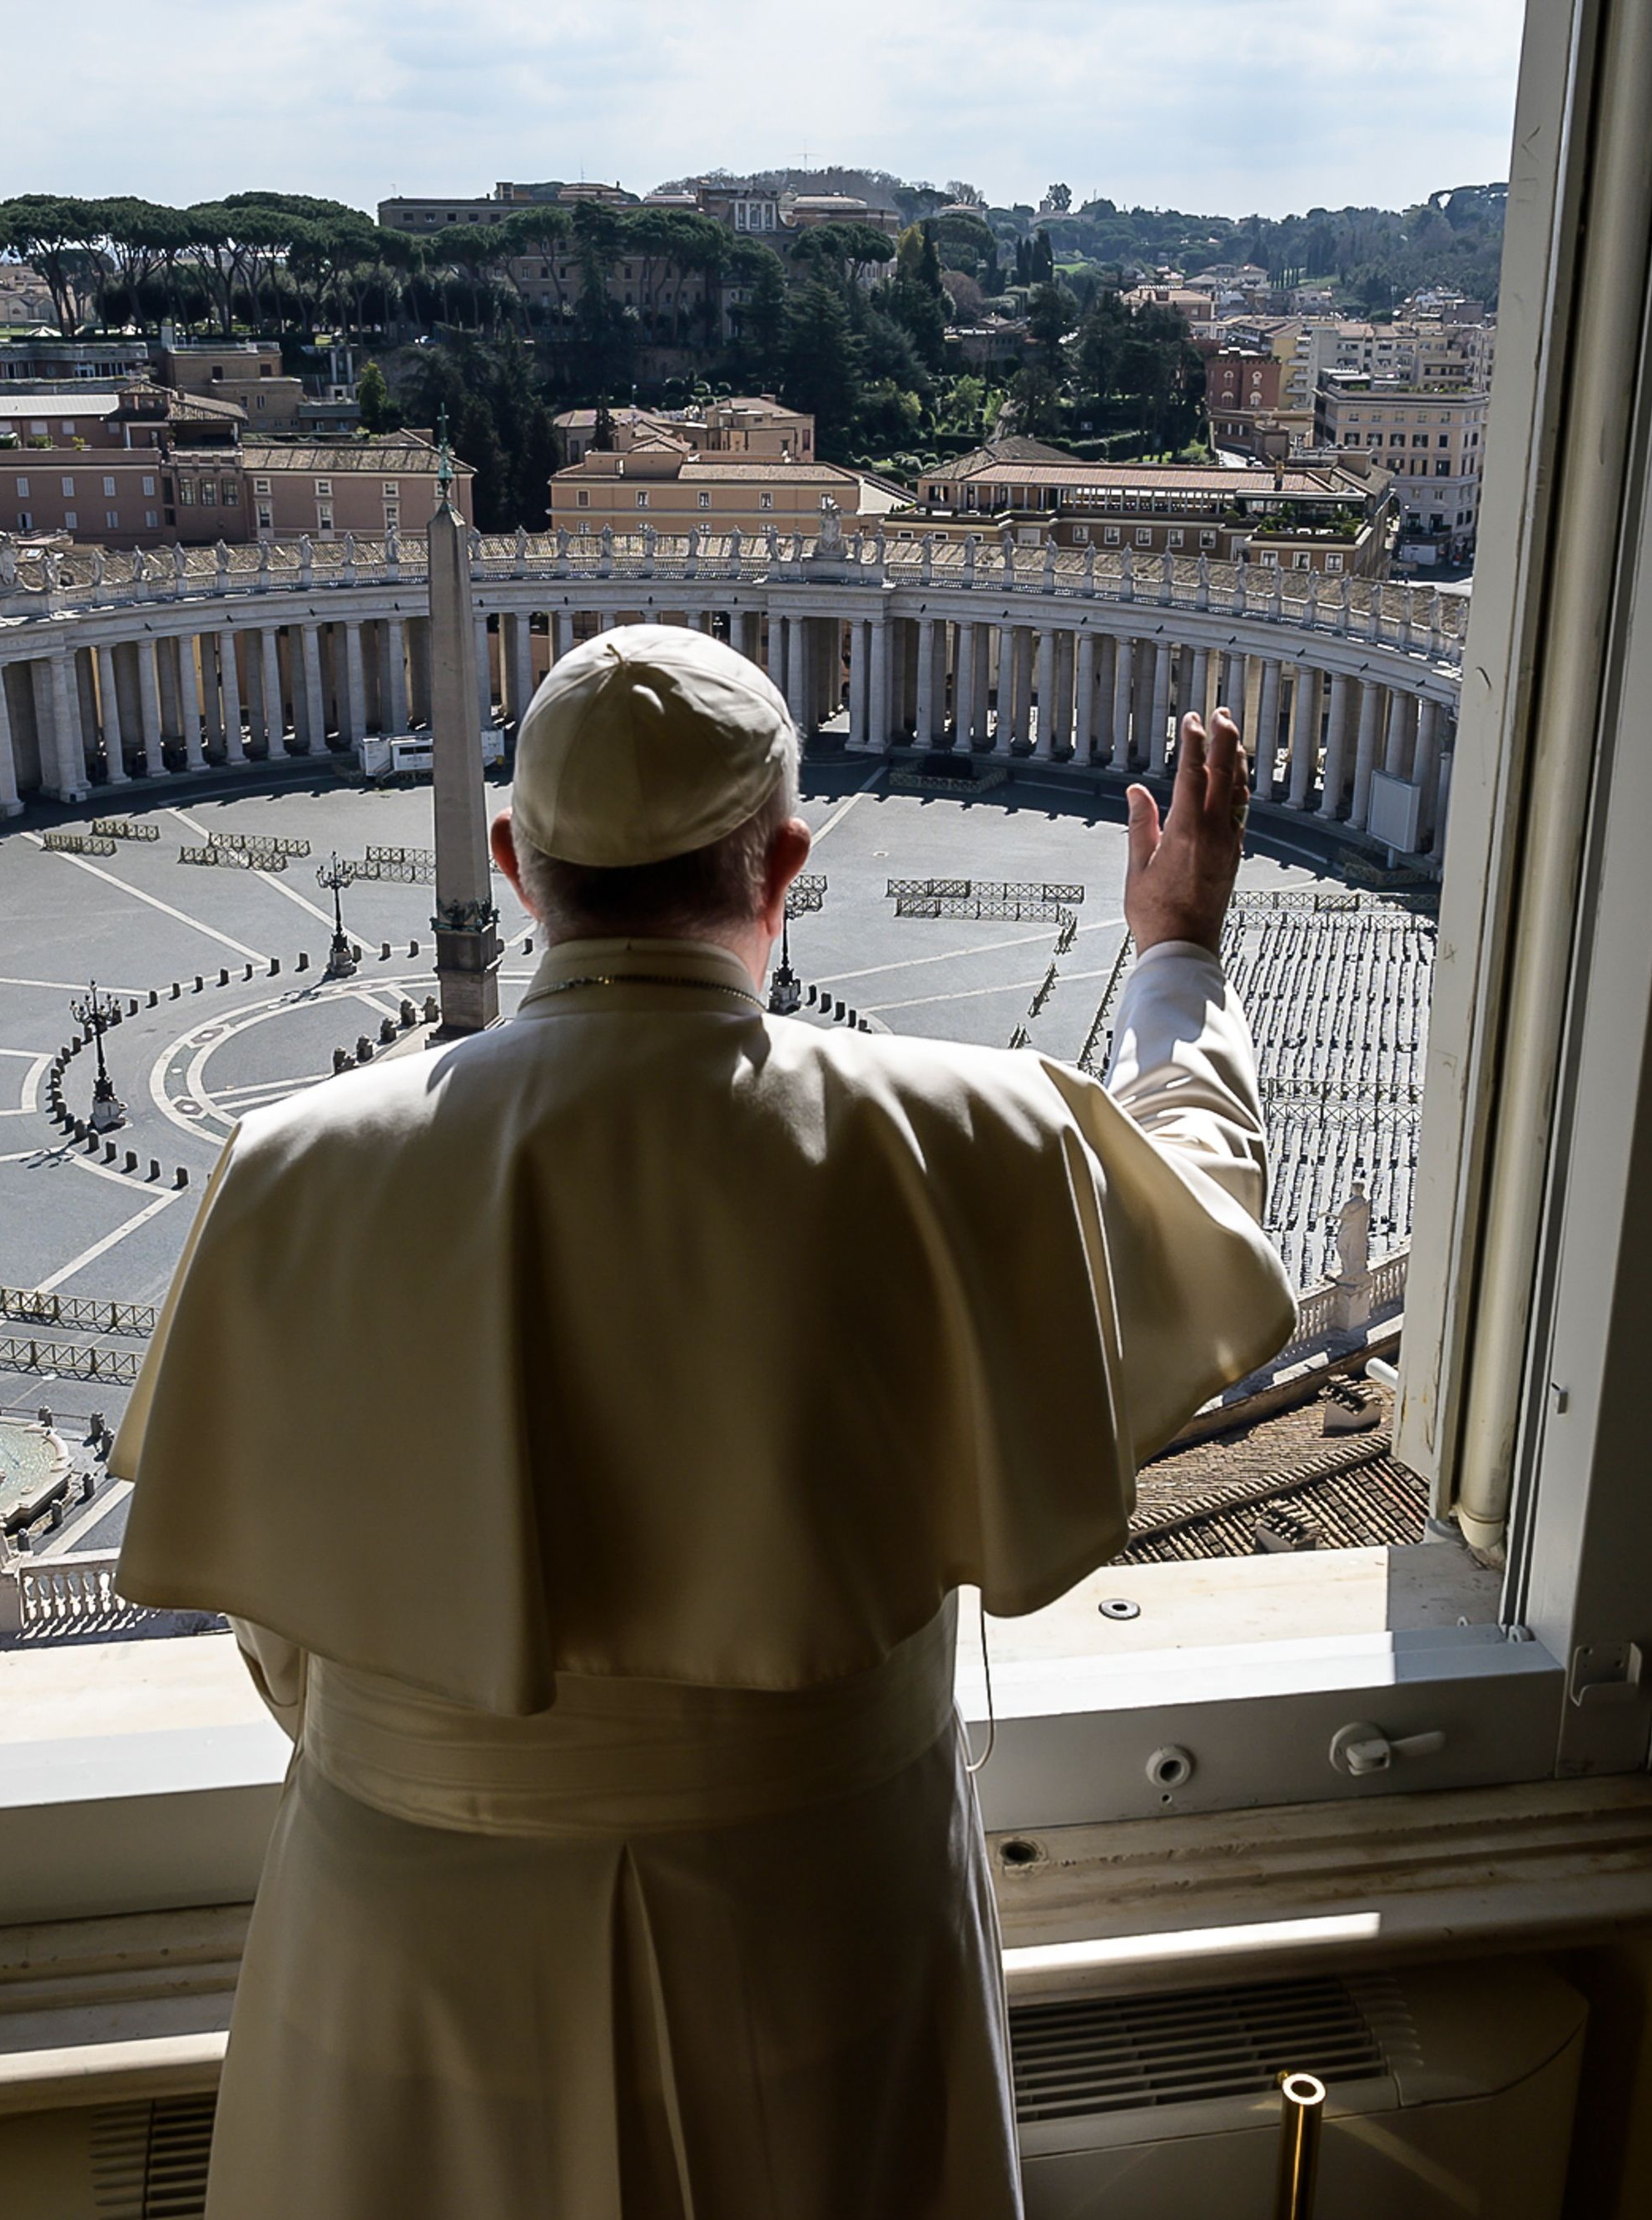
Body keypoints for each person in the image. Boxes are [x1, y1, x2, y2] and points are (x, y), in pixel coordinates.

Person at [114, 625, 1295, 2219]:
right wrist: (1172, 954)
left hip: (407, 1938)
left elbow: (273, 1625)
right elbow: (1210, 1233)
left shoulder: (292, 1169)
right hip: (812, 1918)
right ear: (786, 861)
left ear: (516, 863)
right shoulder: (967, 1133)